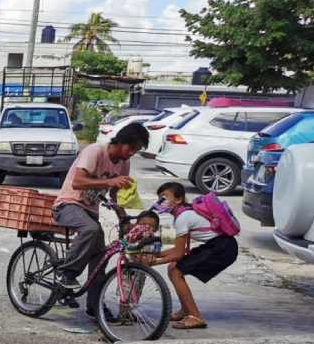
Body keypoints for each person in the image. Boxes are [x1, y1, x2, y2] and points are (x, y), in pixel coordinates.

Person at [51, 122, 149, 318]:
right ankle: (66, 273)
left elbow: (114, 194)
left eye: (136, 150)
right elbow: (78, 182)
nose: (131, 153)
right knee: (91, 229)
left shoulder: (124, 163)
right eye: (131, 148)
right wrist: (109, 181)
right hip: (68, 205)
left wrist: (123, 218)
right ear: (121, 142)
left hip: (90, 211)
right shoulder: (95, 151)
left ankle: (94, 305)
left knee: (100, 258)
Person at [149, 181, 239, 330]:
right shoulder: (184, 213)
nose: (161, 202)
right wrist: (156, 254)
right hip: (221, 245)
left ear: (178, 199)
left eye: (165, 197)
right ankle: (186, 310)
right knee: (173, 267)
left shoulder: (183, 218)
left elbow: (178, 254)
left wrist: (153, 262)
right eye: (160, 198)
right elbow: (180, 250)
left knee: (176, 270)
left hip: (221, 248)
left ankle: (195, 316)